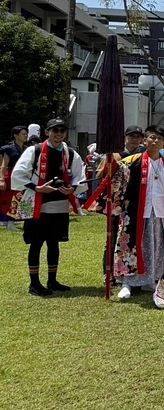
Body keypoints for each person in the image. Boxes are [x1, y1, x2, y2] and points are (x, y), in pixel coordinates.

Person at [11, 118, 86, 297]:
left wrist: (73, 188)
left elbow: (79, 176)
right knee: (36, 244)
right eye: (55, 130)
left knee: (54, 243)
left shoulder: (70, 153)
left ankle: (52, 280)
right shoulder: (34, 150)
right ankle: (34, 283)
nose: (58, 134)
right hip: (39, 204)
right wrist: (37, 188)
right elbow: (18, 173)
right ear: (47, 132)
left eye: (62, 131)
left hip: (59, 205)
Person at [110, 124, 164, 300]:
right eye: (152, 137)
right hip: (135, 211)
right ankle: (127, 282)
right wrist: (117, 209)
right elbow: (118, 186)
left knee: (156, 244)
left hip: (160, 211)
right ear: (145, 140)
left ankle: (151, 279)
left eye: (160, 139)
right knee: (132, 244)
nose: (155, 141)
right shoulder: (132, 162)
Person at [0, 125, 28, 229]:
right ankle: (9, 221)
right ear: (16, 136)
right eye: (23, 134)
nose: (26, 136)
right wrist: (1, 179)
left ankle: (13, 220)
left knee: (20, 198)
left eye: (26, 134)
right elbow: (4, 165)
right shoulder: (9, 149)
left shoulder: (27, 149)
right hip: (11, 175)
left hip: (22, 176)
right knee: (10, 199)